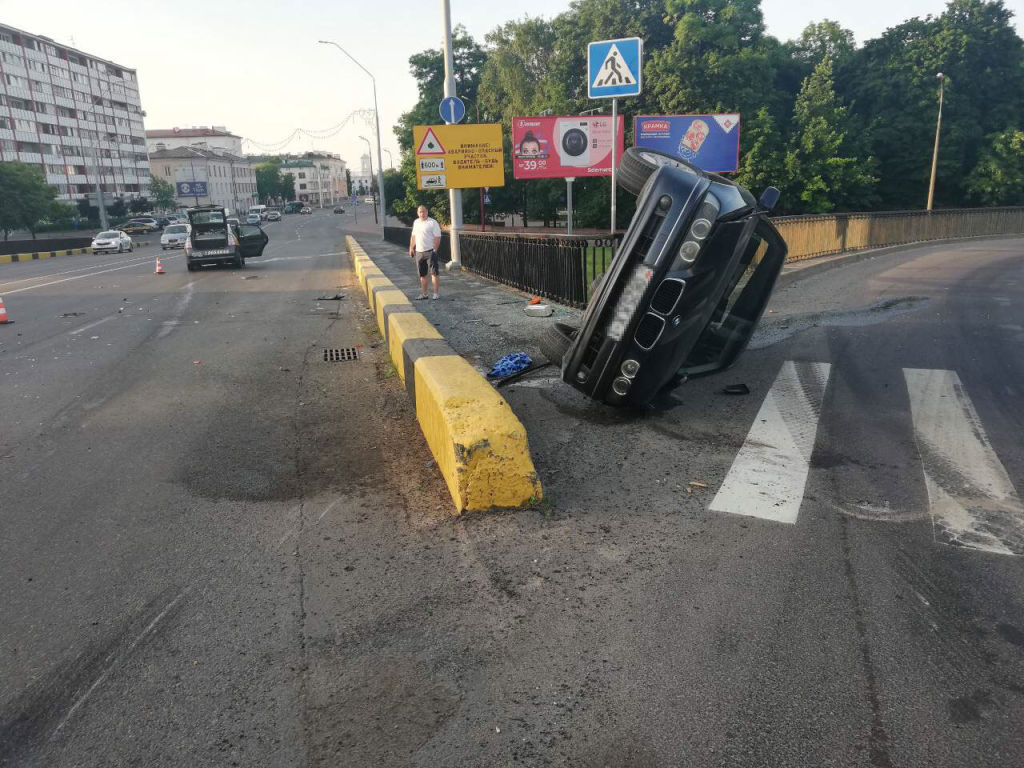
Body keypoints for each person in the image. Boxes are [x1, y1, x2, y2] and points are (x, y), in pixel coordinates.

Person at [409, 205, 443, 300]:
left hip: (430, 251)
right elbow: (413, 236)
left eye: (424, 211)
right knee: (422, 274)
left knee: (434, 273)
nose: (422, 214)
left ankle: (436, 294)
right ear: (417, 213)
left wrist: (435, 250)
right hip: (419, 252)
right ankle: (424, 294)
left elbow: (437, 237)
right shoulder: (416, 222)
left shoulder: (432, 222)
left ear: (427, 212)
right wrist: (411, 248)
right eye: (420, 212)